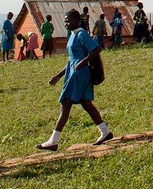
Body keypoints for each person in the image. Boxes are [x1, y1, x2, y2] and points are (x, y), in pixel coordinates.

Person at [38, 9, 114, 150]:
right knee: (86, 103)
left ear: (77, 21)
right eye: (65, 21)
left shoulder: (81, 34)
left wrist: (84, 62)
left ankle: (53, 141)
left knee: (66, 103)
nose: (66, 23)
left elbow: (96, 49)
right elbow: (71, 60)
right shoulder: (72, 36)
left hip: (80, 74)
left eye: (68, 20)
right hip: (73, 71)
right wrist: (59, 75)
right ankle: (105, 131)